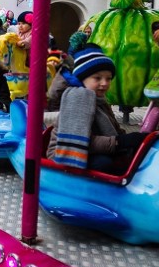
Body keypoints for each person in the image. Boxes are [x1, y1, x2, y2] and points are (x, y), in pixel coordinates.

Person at [47, 45, 147, 174]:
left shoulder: (99, 99)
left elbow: (114, 127)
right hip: (64, 153)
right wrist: (119, 142)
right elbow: (78, 140)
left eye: (108, 78)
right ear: (83, 79)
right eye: (97, 78)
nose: (104, 83)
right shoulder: (78, 98)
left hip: (89, 149)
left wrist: (128, 139)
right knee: (103, 164)